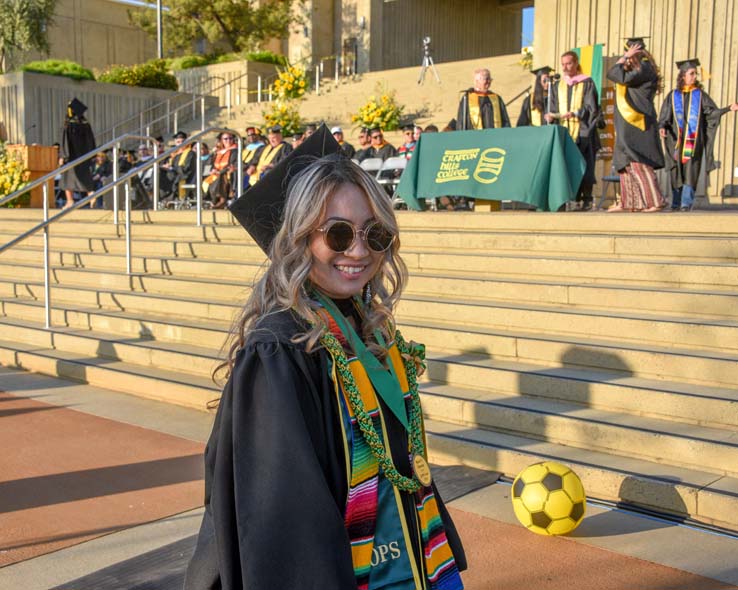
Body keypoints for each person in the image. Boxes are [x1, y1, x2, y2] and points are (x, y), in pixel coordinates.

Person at [183, 126, 466, 590]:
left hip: (417, 562)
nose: (358, 251)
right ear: (298, 240)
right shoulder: (279, 350)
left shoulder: (364, 327)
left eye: (374, 234)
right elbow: (284, 519)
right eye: (337, 234)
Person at [658, 58, 738, 211]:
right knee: (676, 170)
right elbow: (664, 116)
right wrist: (662, 126)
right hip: (675, 140)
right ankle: (675, 202)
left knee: (690, 170)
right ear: (683, 76)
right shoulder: (672, 96)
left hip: (692, 141)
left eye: (695, 74)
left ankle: (685, 203)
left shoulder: (700, 95)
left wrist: (728, 108)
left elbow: (712, 113)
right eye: (691, 73)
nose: (695, 76)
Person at [606, 39, 666, 212]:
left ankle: (656, 201)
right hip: (627, 123)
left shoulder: (645, 68)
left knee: (639, 160)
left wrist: (624, 58)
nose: (628, 60)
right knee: (626, 162)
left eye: (631, 55)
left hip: (638, 123)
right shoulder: (635, 70)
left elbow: (616, 75)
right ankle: (631, 202)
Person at [545, 51, 601, 211]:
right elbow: (555, 107)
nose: (565, 67)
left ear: (576, 63)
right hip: (565, 132)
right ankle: (570, 199)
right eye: (562, 64)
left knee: (585, 165)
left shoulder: (587, 82)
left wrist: (576, 113)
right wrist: (551, 116)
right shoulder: (558, 85)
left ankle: (587, 199)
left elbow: (592, 108)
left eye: (568, 63)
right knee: (567, 165)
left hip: (583, 132)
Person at [59, 98, 96, 209]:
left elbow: (64, 141)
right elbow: (91, 141)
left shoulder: (68, 124)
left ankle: (70, 201)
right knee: (84, 177)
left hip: (71, 157)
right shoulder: (86, 124)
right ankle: (92, 195)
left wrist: (63, 156)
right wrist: (91, 155)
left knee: (66, 179)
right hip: (83, 157)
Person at [203, 131, 238, 209]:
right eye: (225, 139)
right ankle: (213, 201)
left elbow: (232, 164)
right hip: (216, 173)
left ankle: (222, 200)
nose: (228, 140)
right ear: (221, 141)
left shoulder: (235, 150)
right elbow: (210, 164)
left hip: (226, 173)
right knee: (205, 180)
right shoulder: (218, 152)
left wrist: (220, 172)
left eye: (230, 138)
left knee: (221, 177)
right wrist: (212, 170)